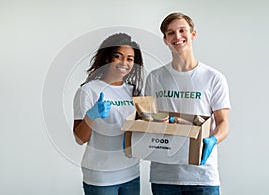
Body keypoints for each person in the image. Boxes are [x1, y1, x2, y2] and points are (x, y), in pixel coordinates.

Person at [144, 12, 231, 194]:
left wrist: (212, 140)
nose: (177, 36)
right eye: (171, 33)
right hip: (164, 175)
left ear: (193, 34)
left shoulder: (213, 78)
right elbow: (147, 120)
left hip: (202, 175)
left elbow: (223, 123)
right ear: (165, 39)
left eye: (182, 30)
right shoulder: (155, 78)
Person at [73, 33, 144, 195]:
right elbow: (79, 138)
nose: (124, 63)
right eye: (118, 57)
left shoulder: (134, 92)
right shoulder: (89, 91)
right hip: (101, 178)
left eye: (130, 59)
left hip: (131, 174)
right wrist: (91, 116)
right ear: (107, 58)